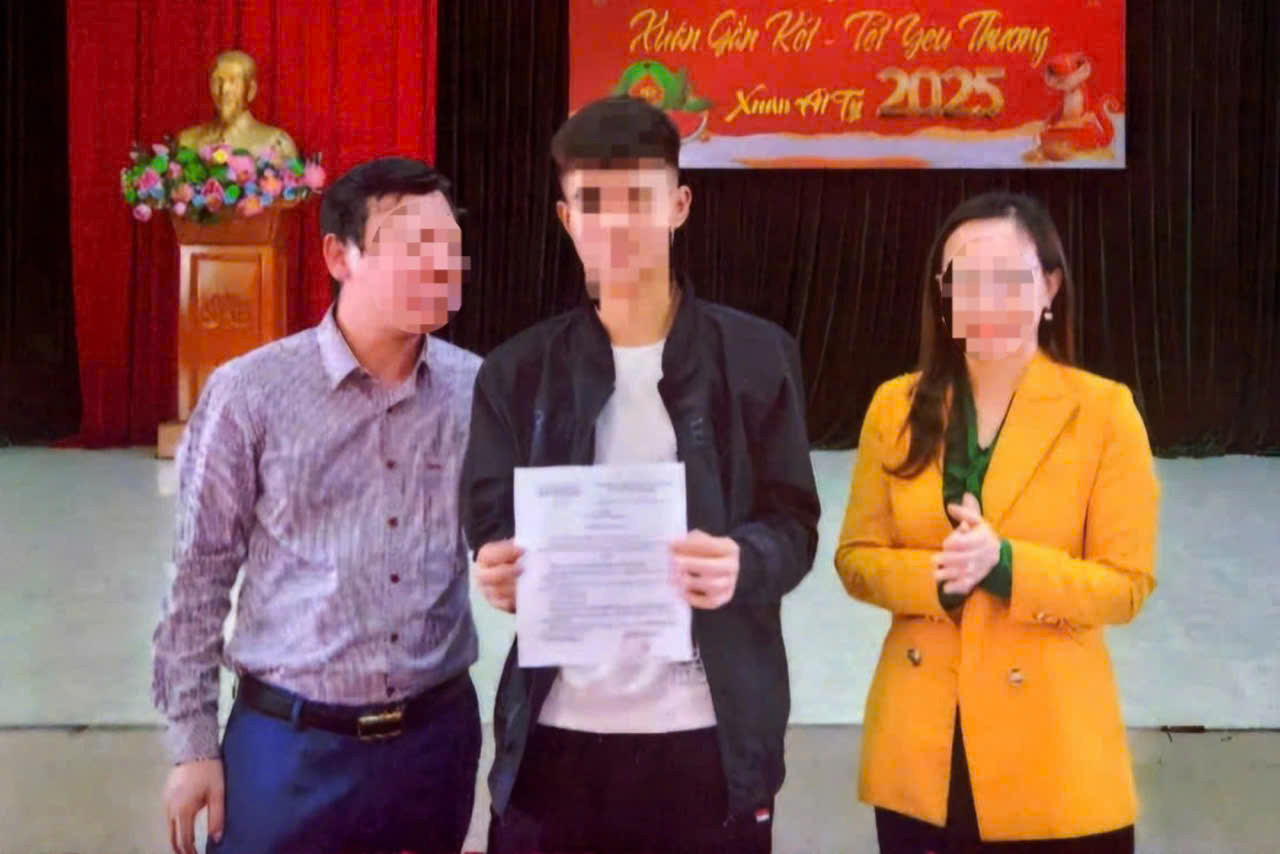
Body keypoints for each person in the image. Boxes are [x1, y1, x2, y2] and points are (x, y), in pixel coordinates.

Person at [461, 96, 821, 854]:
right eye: (593, 202)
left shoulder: (757, 358)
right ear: (566, 220)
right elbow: (492, 529)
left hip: (708, 736)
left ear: (679, 206)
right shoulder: (516, 372)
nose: (616, 224)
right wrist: (495, 568)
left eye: (639, 198)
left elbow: (795, 526)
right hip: (556, 734)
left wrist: (743, 560)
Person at [152, 156, 481, 854]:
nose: (438, 264)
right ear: (339, 256)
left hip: (434, 743)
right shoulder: (252, 393)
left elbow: (516, 536)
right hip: (289, 744)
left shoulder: (477, 390)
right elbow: (198, 577)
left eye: (449, 247)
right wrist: (193, 745)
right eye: (413, 244)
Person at [835, 191, 1159, 853]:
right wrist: (940, 577)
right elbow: (857, 559)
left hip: (1055, 753)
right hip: (922, 749)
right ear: (943, 293)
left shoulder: (1104, 412)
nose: (985, 298)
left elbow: (1125, 586)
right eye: (965, 278)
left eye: (1009, 276)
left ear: (1050, 287)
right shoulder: (894, 407)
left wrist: (1005, 565)